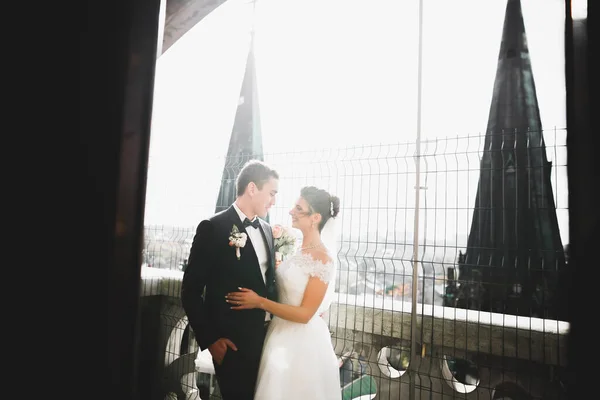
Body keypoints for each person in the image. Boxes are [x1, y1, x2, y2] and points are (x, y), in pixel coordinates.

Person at [226, 186, 342, 399]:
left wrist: (259, 302)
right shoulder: (299, 250)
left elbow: (305, 314)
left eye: (299, 208)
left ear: (315, 217)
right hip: (278, 335)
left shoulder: (323, 259)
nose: (291, 211)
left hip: (301, 345)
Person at [181, 160, 279, 400]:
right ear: (253, 188)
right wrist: (211, 341)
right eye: (272, 193)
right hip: (233, 346)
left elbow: (269, 282)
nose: (274, 201)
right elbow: (190, 291)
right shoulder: (213, 228)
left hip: (268, 341)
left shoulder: (267, 230)